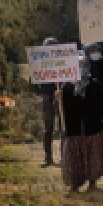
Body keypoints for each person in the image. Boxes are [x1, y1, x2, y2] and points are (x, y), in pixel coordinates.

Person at [57, 48, 103, 193]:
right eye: (77, 65)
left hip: (92, 128)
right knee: (74, 158)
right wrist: (58, 99)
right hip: (73, 129)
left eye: (82, 64)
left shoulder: (95, 84)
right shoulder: (65, 87)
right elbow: (61, 110)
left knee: (92, 156)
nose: (79, 68)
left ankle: (92, 182)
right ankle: (75, 184)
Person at [35, 37, 60, 167]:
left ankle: (66, 155)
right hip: (47, 96)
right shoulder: (39, 63)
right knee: (48, 129)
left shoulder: (63, 62)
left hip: (61, 96)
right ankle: (48, 157)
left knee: (64, 127)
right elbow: (34, 81)